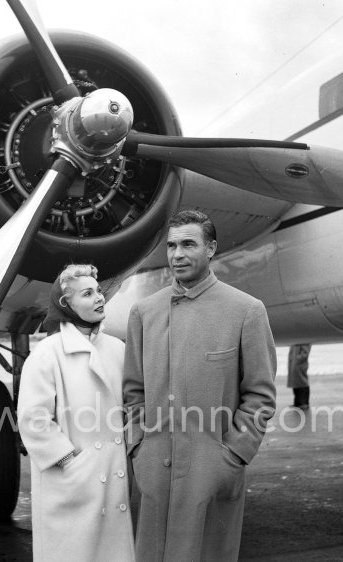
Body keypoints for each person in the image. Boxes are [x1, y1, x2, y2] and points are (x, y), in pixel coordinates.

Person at [123, 210, 277, 562]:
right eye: (172, 245)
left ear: (211, 248)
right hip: (154, 472)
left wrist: (233, 455)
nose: (177, 254)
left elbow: (260, 395)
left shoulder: (246, 310)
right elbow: (133, 390)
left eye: (188, 244)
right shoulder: (143, 312)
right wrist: (138, 447)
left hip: (213, 471)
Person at [17, 264, 135, 562]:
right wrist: (70, 462)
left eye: (98, 291)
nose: (99, 299)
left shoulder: (117, 349)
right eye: (87, 293)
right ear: (65, 304)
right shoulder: (47, 353)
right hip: (73, 480)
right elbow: (33, 419)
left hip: (114, 476)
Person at [287, 344, 312, 409]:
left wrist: (298, 359)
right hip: (295, 362)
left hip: (299, 363)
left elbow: (305, 352)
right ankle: (298, 403)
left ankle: (304, 403)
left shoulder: (304, 336)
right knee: (296, 382)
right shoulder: (297, 336)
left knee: (302, 382)